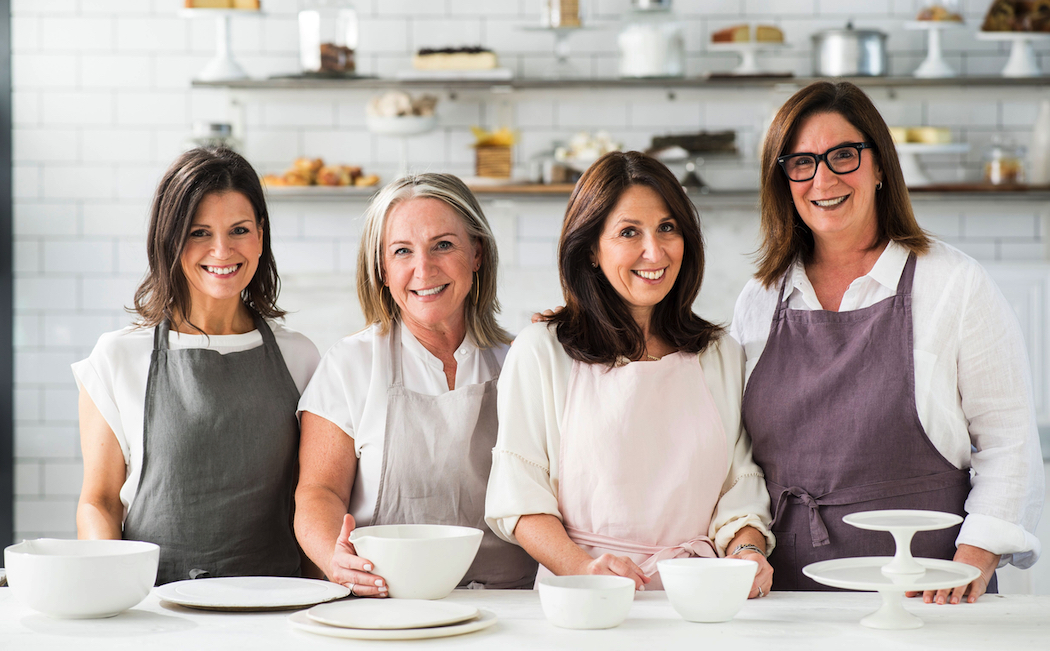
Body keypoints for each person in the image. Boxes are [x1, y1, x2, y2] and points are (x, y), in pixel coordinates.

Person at [732, 81, 1044, 603]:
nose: (822, 178)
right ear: (783, 179)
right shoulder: (760, 297)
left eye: (843, 155)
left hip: (926, 590)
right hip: (787, 597)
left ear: (880, 166)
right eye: (801, 162)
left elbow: (1010, 440)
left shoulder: (954, 284)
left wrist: (976, 556)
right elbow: (736, 452)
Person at [486, 151, 774, 595]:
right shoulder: (541, 352)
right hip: (585, 599)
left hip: (701, 598)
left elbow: (741, 488)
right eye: (628, 232)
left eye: (667, 228)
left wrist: (747, 554)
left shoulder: (720, 354)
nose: (654, 251)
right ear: (592, 251)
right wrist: (585, 570)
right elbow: (520, 500)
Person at [75, 147, 320, 585]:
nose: (222, 250)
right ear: (169, 240)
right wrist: (108, 589)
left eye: (239, 230)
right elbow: (100, 503)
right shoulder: (116, 358)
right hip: (155, 605)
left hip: (276, 604)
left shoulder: (301, 357)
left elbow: (314, 499)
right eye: (199, 232)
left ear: (260, 236)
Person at [294, 173, 537, 597]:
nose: (423, 269)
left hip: (509, 603)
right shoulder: (350, 364)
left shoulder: (521, 360)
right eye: (402, 251)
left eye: (443, 245)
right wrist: (338, 560)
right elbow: (319, 492)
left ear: (476, 253)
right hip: (387, 603)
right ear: (382, 270)